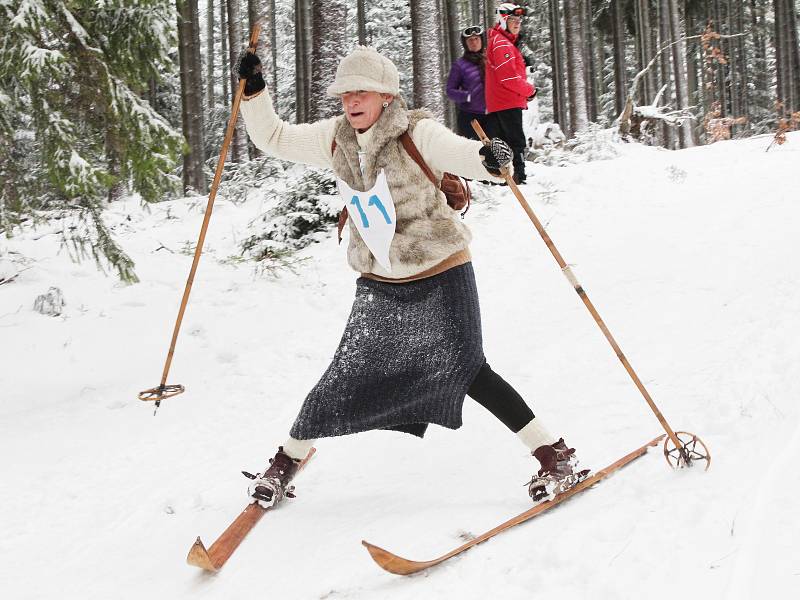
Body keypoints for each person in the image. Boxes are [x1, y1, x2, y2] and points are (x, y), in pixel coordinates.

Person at [235, 45, 588, 508]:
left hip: (441, 269)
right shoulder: (335, 137)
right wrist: (255, 92)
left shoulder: (414, 131)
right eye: (345, 94)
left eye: (361, 92)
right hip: (381, 279)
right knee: (345, 374)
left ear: (385, 95)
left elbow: (465, 155)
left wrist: (490, 157)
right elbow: (274, 138)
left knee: (469, 369)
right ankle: (285, 463)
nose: (351, 102)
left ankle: (554, 455)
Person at [485, 3, 535, 185]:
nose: (517, 24)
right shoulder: (501, 44)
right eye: (512, 20)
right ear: (503, 21)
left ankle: (506, 176)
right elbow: (508, 78)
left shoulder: (502, 42)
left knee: (503, 140)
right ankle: (517, 175)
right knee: (515, 140)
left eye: (519, 20)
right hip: (506, 101)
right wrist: (529, 90)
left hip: (504, 100)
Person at [446, 25, 490, 140]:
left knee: (492, 151)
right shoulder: (460, 65)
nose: (474, 42)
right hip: (470, 118)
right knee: (473, 153)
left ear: (482, 41)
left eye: (477, 39)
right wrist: (467, 96)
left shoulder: (490, 61)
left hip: (492, 115)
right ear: (465, 44)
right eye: (470, 40)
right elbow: (450, 91)